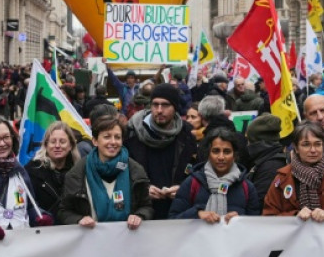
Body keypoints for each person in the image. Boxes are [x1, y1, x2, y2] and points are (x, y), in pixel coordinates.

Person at [58, 116, 153, 228]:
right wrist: (79, 219)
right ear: (95, 141)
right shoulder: (77, 173)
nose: (113, 142)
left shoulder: (135, 170)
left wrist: (140, 215)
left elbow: (147, 207)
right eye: (107, 137)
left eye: (117, 137)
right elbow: (64, 211)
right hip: (90, 240)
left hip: (127, 240)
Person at [124, 83, 198, 219]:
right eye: (155, 104)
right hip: (141, 213)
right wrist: (142, 189)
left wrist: (183, 188)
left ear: (175, 107)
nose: (159, 110)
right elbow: (122, 171)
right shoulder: (132, 133)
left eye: (165, 105)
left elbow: (195, 170)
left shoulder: (187, 134)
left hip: (176, 212)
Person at [262, 122, 324, 221]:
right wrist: (295, 216)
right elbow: (268, 217)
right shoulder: (282, 179)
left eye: (318, 144)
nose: (313, 150)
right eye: (306, 145)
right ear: (296, 148)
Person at [169, 129, 261, 222]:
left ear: (234, 155)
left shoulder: (247, 187)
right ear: (209, 154)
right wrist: (197, 214)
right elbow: (173, 220)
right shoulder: (192, 183)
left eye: (227, 151)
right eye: (216, 151)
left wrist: (240, 220)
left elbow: (255, 226)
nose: (221, 157)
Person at [25, 122, 80, 221]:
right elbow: (29, 205)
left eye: (62, 141)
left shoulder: (79, 171)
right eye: (53, 142)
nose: (57, 146)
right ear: (46, 145)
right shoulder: (32, 171)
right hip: (43, 231)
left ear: (71, 145)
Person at [243, 114, 287, 198]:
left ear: (258, 142)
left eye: (249, 141)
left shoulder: (270, 167)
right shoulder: (265, 161)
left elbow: (261, 201)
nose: (248, 145)